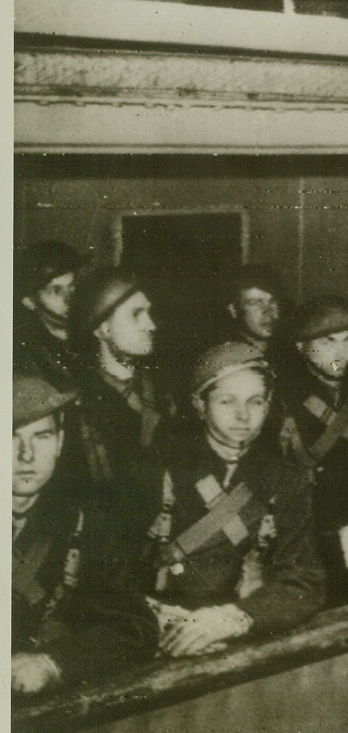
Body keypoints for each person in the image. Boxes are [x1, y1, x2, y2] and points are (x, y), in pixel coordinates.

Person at [140, 343, 325, 657]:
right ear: (200, 405)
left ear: (268, 406)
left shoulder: (284, 479)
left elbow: (304, 580)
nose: (243, 416)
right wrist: (151, 618)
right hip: (160, 634)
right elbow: (110, 574)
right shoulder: (159, 469)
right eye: (227, 401)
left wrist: (237, 617)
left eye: (255, 402)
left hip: (240, 636)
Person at [12, 373, 159, 696]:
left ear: (61, 442)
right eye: (10, 437)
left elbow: (135, 628)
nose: (26, 455)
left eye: (42, 436)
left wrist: (54, 664)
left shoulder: (86, 523)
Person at [274, 297, 348, 603]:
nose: (341, 353)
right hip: (306, 530)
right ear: (301, 347)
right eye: (328, 342)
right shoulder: (281, 399)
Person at [67, 268, 179, 503]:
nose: (151, 325)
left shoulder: (165, 391)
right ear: (103, 328)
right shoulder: (78, 406)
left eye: (148, 313)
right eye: (136, 314)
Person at [15, 240, 85, 390]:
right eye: (56, 290)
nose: (70, 299)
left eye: (72, 286)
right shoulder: (26, 358)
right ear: (29, 302)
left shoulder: (96, 333)